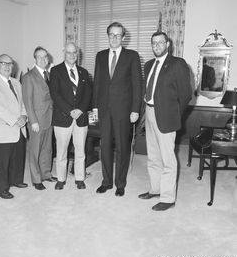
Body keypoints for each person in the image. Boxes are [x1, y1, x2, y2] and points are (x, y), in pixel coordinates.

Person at [138, 31, 192, 211]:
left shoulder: (178, 64)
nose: (157, 46)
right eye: (154, 43)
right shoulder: (148, 64)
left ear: (168, 44)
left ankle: (168, 198)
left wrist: (176, 113)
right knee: (153, 155)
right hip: (149, 112)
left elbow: (186, 94)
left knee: (168, 158)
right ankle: (155, 189)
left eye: (161, 43)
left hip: (167, 116)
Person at [93, 22, 142, 197]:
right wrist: (95, 107)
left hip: (124, 110)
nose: (114, 38)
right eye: (111, 35)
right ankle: (106, 182)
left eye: (118, 35)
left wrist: (135, 109)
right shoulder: (100, 56)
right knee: (105, 146)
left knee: (122, 147)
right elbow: (97, 83)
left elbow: (137, 85)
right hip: (104, 109)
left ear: (123, 37)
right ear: (107, 36)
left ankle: (120, 183)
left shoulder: (132, 56)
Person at [0, 54, 28, 199]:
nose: (8, 66)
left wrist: (24, 116)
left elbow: (22, 103)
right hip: (2, 129)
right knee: (2, 162)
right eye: (4, 63)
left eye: (10, 64)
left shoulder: (17, 83)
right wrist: (16, 120)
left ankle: (16, 180)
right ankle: (1, 188)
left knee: (17, 157)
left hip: (18, 127)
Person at [49, 42, 91, 190]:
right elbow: (55, 93)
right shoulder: (55, 71)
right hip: (62, 118)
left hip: (81, 118)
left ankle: (80, 178)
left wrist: (79, 110)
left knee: (81, 151)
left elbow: (87, 94)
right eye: (69, 52)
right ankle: (61, 179)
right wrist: (69, 111)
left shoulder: (84, 72)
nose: (72, 55)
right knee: (61, 151)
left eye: (74, 53)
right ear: (63, 53)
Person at [22, 46, 56, 191]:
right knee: (35, 150)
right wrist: (33, 121)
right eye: (39, 57)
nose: (42, 59)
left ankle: (46, 174)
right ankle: (36, 179)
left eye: (45, 56)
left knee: (47, 149)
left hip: (50, 118)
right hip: (37, 120)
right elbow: (27, 101)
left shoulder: (49, 75)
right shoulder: (29, 76)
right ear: (35, 58)